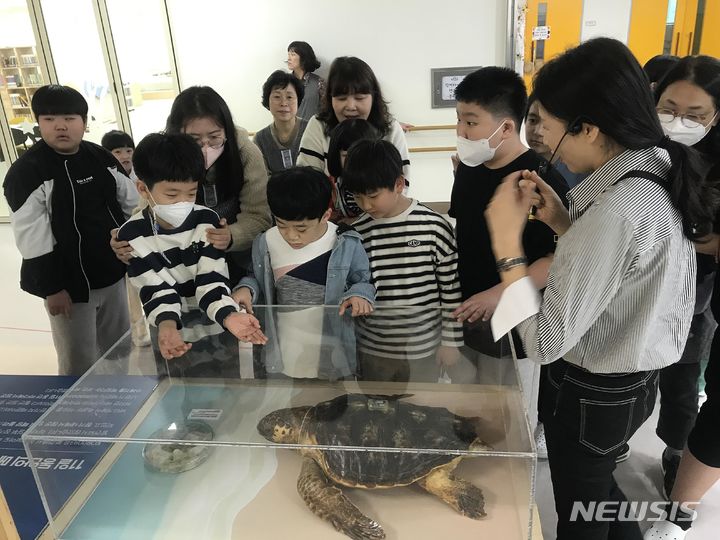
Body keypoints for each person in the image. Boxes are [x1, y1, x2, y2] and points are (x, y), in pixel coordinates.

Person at [484, 37, 716, 540]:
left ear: (587, 127)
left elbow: (545, 343)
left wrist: (506, 241)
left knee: (580, 506)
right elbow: (630, 268)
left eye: (545, 123)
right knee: (597, 492)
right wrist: (566, 224)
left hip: (596, 391)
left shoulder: (617, 209)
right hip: (634, 382)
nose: (541, 137)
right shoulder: (653, 172)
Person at [3, 85, 139, 375]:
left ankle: (120, 402)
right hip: (68, 284)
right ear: (38, 123)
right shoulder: (28, 172)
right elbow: (31, 235)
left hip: (111, 272)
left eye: (70, 117)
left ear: (84, 122)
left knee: (118, 345)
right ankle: (80, 413)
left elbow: (131, 205)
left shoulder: (101, 158)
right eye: (50, 119)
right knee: (78, 358)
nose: (61, 126)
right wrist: (52, 287)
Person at [116, 133, 267, 361]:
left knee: (226, 389)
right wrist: (167, 326)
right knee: (177, 389)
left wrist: (229, 317)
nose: (183, 203)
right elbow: (153, 288)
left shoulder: (207, 221)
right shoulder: (132, 236)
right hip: (170, 332)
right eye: (172, 194)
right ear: (143, 189)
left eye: (191, 193)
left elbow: (212, 279)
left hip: (216, 327)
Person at [111, 86, 271, 285]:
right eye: (194, 140)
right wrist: (126, 236)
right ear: (177, 134)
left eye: (214, 137)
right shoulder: (168, 155)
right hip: (181, 264)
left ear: (226, 130)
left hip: (239, 260)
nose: (205, 147)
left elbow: (258, 216)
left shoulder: (245, 153)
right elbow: (149, 204)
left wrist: (231, 236)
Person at [231, 167, 374, 379]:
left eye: (301, 228)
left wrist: (359, 295)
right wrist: (246, 288)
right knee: (289, 398)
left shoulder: (345, 241)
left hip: (331, 344)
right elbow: (257, 278)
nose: (291, 236)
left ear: (325, 215)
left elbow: (363, 280)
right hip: (285, 341)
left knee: (332, 402)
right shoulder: (266, 242)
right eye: (281, 224)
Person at [652, 54, 720, 500]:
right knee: (634, 362)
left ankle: (678, 448)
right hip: (642, 275)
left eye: (694, 115)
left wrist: (691, 241)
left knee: (682, 366)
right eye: (669, 109)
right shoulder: (640, 142)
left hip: (696, 281)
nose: (679, 122)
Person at [342, 139, 463, 382]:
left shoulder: (434, 227)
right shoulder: (357, 234)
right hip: (373, 348)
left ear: (399, 184)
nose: (365, 205)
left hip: (423, 348)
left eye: (373, 195)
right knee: (375, 410)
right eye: (357, 196)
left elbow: (450, 289)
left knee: (421, 407)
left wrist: (451, 342)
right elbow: (353, 285)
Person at [645, 164, 720, 540]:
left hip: (694, 308)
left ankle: (677, 454)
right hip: (653, 298)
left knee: (683, 385)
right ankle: (678, 515)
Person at [297, 56, 410, 181]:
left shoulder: (390, 129)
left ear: (373, 97)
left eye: (359, 98)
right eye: (341, 98)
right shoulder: (318, 125)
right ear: (330, 98)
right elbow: (306, 181)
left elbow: (401, 183)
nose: (350, 106)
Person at [525, 93, 587, 188]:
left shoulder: (579, 173)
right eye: (532, 120)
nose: (538, 131)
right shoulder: (514, 162)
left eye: (547, 124)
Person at [254, 70, 309, 174]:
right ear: (267, 101)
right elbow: (262, 178)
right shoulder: (260, 139)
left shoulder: (311, 130)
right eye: (277, 97)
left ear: (298, 100)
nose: (283, 103)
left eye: (289, 97)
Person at [326, 119, 380, 222]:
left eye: (361, 155)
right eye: (346, 155)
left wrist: (355, 221)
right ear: (336, 156)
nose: (354, 161)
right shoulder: (332, 185)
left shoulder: (380, 182)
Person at [287, 41, 325, 121]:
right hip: (289, 131)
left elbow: (326, 111)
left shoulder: (319, 82)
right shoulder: (285, 83)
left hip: (312, 131)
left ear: (304, 58)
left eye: (293, 55)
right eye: (288, 54)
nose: (288, 58)